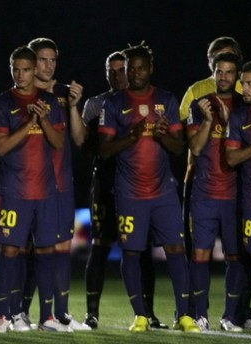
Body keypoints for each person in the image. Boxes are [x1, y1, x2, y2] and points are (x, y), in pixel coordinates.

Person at [98, 42, 199, 332]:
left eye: (141, 67)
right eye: (132, 69)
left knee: (176, 250)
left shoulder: (166, 99)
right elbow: (104, 151)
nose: (136, 73)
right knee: (131, 253)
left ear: (150, 69)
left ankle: (184, 315)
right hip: (130, 193)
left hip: (163, 192)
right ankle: (140, 315)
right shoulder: (114, 104)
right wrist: (132, 136)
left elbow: (179, 148)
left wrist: (162, 134)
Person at [82, 51, 165, 329]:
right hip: (105, 184)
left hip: (138, 185)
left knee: (141, 250)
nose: (118, 75)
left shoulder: (146, 102)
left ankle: (148, 313)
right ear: (106, 73)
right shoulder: (94, 104)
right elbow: (86, 145)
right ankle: (91, 313)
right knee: (100, 246)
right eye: (112, 70)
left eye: (122, 70)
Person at [0, 46, 67, 333]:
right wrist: (30, 123)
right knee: (9, 251)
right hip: (13, 191)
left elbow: (59, 143)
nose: (20, 74)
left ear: (35, 70)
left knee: (46, 251)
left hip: (45, 191)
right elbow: (1, 147)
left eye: (26, 69)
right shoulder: (2, 102)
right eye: (16, 69)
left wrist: (43, 119)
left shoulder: (49, 101)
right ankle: (3, 315)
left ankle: (46, 317)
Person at [28, 37, 91, 331]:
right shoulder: (21, 96)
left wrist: (76, 107)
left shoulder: (66, 94)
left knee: (63, 247)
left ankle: (61, 313)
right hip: (30, 185)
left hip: (62, 181)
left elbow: (79, 140)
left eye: (52, 60)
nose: (48, 65)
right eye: (42, 59)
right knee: (30, 250)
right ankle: (19, 312)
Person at [187, 52, 245, 332]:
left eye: (229, 73)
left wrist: (230, 120)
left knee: (235, 257)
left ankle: (230, 317)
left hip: (235, 197)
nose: (223, 77)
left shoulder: (245, 107)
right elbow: (196, 148)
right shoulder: (201, 106)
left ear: (237, 76)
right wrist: (211, 122)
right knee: (201, 256)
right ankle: (201, 315)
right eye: (219, 72)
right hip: (205, 194)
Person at [225, 60, 251, 332]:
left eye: (248, 83)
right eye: (242, 82)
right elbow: (232, 157)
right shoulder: (239, 117)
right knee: (250, 257)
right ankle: (235, 315)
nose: (242, 87)